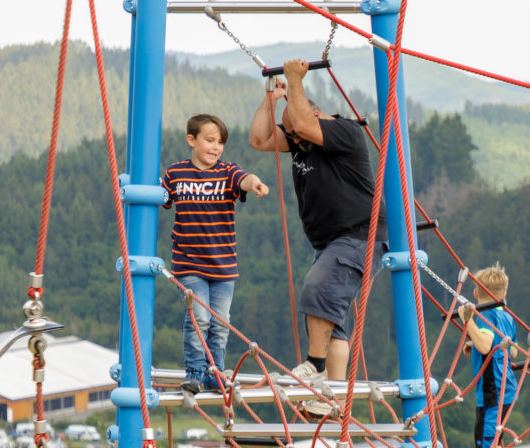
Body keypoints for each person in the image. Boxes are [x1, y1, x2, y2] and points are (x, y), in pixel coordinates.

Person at [247, 58, 377, 418]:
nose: (295, 138)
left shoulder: (344, 132)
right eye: (291, 134)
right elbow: (259, 138)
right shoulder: (302, 140)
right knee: (331, 322)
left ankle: (314, 366)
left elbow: (303, 121)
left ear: (317, 118)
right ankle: (330, 398)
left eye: (299, 132)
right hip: (329, 241)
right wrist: (273, 100)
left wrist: (294, 80)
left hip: (358, 236)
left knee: (316, 290)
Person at [160, 114, 269, 396]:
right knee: (199, 317)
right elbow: (161, 196)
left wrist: (255, 183)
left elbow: (244, 179)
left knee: (221, 322)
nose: (216, 147)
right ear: (191, 140)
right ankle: (195, 370)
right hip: (189, 263)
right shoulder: (176, 173)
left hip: (223, 265)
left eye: (220, 142)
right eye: (210, 140)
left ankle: (214, 372)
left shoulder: (227, 172)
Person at [449, 263, 526, 448]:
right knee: (493, 441)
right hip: (505, 388)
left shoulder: (486, 315)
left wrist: (468, 322)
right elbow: (512, 350)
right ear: (504, 294)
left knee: (488, 443)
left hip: (494, 390)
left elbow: (485, 344)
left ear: (475, 294)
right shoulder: (506, 315)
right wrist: (476, 343)